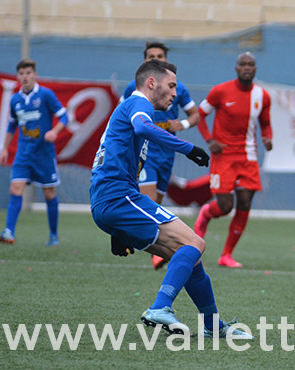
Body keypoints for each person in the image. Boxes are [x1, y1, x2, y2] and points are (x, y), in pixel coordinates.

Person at [90, 59, 253, 339]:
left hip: (113, 201)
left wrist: (119, 229)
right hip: (118, 197)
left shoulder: (130, 109)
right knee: (195, 243)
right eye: (171, 85)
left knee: (189, 259)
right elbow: (143, 128)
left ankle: (212, 325)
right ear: (151, 83)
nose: (175, 93)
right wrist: (188, 148)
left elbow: (113, 158)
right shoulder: (137, 103)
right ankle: (160, 307)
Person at [122, 41, 200, 270]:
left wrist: (183, 123)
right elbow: (122, 115)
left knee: (155, 202)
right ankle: (157, 250)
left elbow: (194, 114)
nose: (155, 59)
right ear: (144, 61)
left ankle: (133, 237)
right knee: (147, 202)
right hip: (144, 153)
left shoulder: (179, 88)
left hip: (167, 154)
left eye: (159, 56)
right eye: (150, 56)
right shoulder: (133, 89)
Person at [194, 52, 273, 268]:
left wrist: (268, 137)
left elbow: (265, 123)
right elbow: (199, 115)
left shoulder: (262, 96)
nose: (247, 67)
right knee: (225, 207)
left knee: (245, 202)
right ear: (236, 68)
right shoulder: (220, 91)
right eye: (243, 64)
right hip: (223, 156)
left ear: (255, 69)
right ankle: (206, 212)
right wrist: (209, 140)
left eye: (251, 64)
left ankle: (226, 255)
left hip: (247, 156)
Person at [0, 59, 68, 246]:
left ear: (35, 75)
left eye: (28, 73)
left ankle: (53, 235)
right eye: (22, 74)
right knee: (15, 188)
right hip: (23, 153)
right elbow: (12, 124)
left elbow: (64, 116)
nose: (25, 77)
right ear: (18, 77)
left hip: (44, 154)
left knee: (49, 193)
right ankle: (9, 232)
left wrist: (54, 132)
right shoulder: (15, 100)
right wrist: (5, 149)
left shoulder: (46, 95)